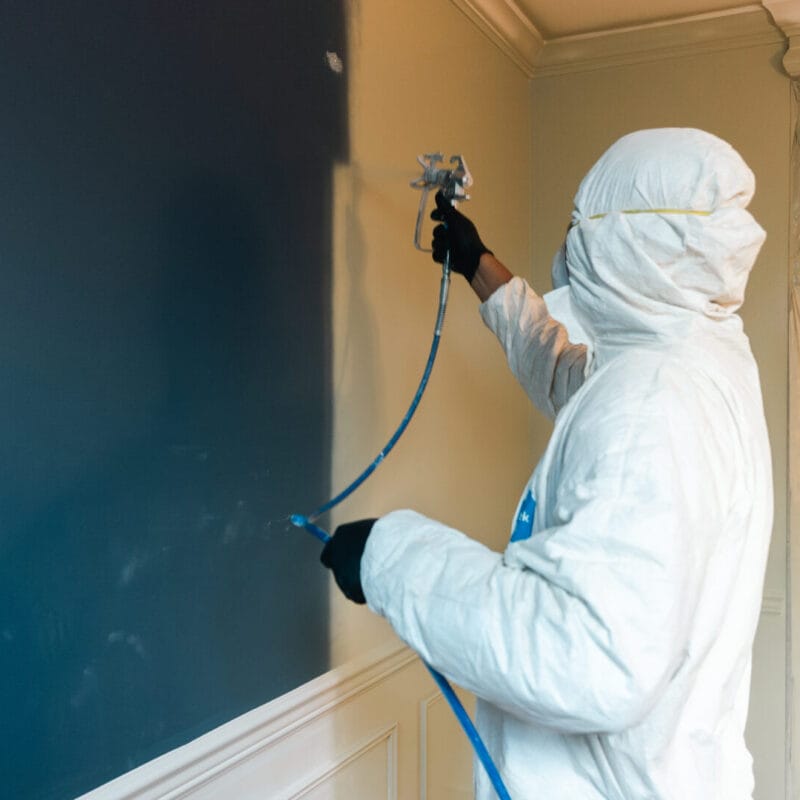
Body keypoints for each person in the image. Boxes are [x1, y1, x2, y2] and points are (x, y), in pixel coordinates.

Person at [320, 128, 773, 799]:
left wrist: (391, 558)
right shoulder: (693, 361)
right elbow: (571, 377)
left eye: (580, 231)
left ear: (627, 245)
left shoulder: (652, 403)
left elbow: (588, 656)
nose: (569, 253)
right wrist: (480, 266)